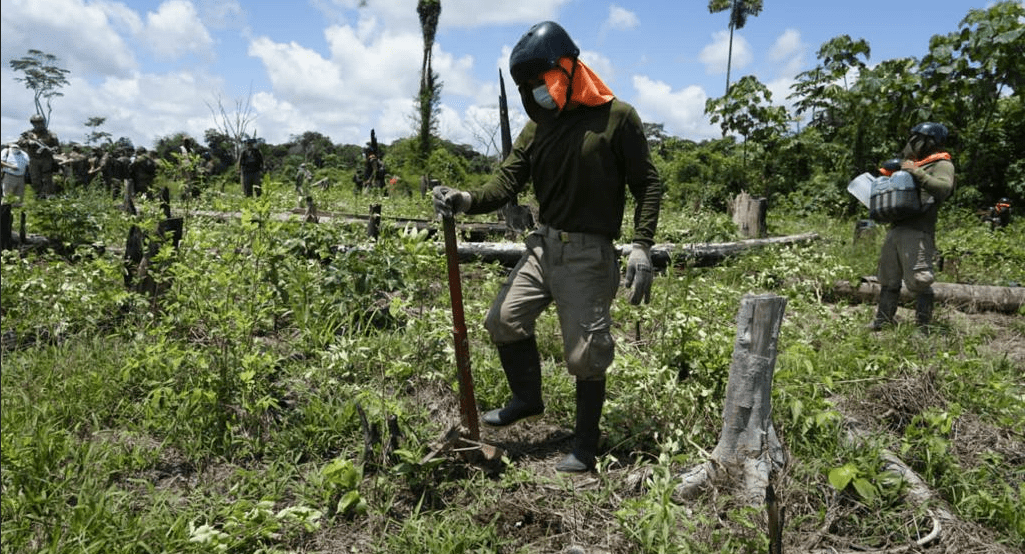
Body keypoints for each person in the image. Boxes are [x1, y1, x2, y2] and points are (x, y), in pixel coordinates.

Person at [432, 21, 662, 473]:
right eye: (529, 85)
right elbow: (505, 181)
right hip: (543, 246)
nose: (536, 91)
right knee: (504, 320)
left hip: (588, 253)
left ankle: (584, 446)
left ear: (568, 68)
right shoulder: (538, 127)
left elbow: (648, 182)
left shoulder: (617, 118)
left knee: (585, 354)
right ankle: (526, 398)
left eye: (541, 80)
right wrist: (465, 200)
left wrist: (641, 247)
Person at [868, 122, 955, 333]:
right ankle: (883, 321)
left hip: (918, 231)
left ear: (930, 141)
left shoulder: (941, 164)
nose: (912, 143)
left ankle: (923, 327)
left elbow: (944, 189)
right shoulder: (913, 163)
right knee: (888, 279)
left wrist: (918, 173)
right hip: (896, 229)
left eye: (917, 138)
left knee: (919, 279)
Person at [18, 114, 60, 198]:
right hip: (34, 160)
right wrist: (28, 142)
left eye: (40, 123)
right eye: (36, 123)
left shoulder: (50, 134)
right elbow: (20, 143)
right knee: (35, 179)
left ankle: (49, 196)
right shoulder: (28, 134)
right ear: (32, 123)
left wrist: (53, 149)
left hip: (46, 160)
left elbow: (57, 147)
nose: (38, 125)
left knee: (47, 179)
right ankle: (38, 196)